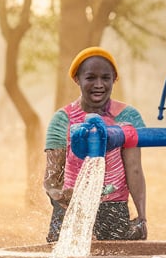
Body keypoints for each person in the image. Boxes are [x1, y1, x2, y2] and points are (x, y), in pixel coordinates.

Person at [43, 47, 147, 243]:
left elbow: (134, 170)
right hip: (70, 207)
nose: (99, 85)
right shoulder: (63, 120)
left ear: (114, 79)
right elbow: (52, 179)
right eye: (90, 78)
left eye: (105, 78)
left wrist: (142, 218)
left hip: (113, 208)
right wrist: (75, 214)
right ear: (77, 79)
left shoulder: (127, 117)